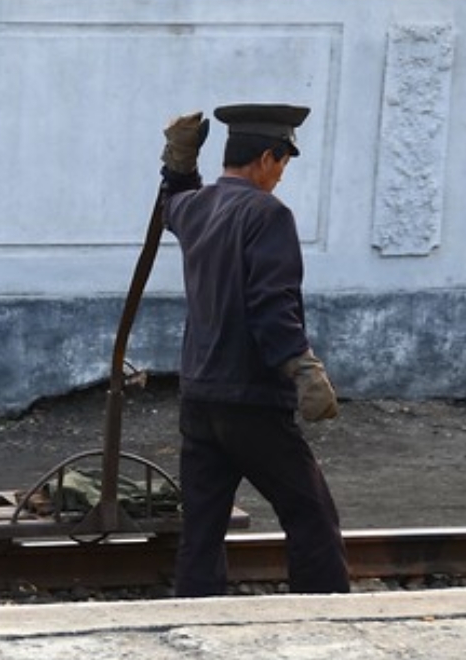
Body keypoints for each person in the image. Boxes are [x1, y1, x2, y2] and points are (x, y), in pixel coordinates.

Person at [158, 104, 350, 596]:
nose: (281, 177)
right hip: (251, 400)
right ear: (268, 157)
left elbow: (172, 201)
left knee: (202, 530)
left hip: (199, 397)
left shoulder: (197, 207)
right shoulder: (269, 214)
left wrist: (178, 162)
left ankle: (195, 623)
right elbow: (271, 304)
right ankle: (324, 616)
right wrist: (304, 368)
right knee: (312, 517)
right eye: (283, 163)